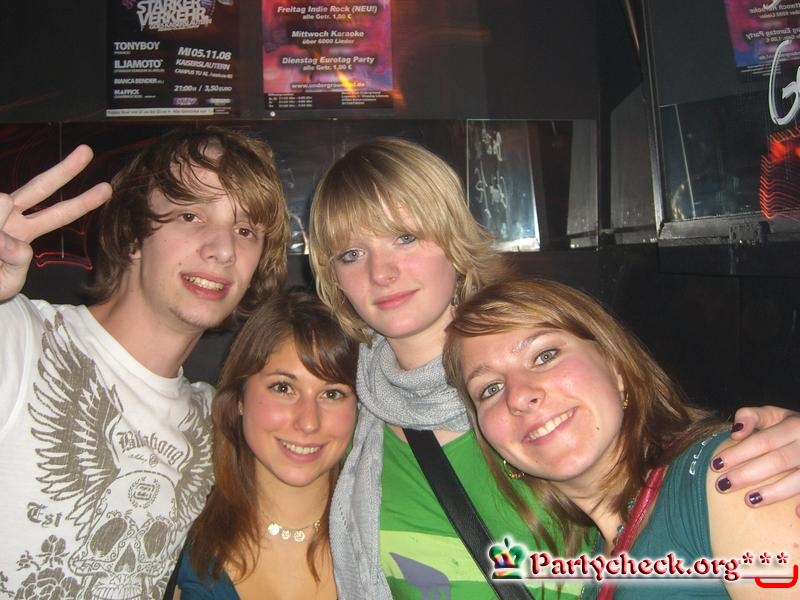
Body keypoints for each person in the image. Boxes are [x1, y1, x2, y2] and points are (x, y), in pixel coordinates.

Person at [307, 136, 800, 599]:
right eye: (351, 254)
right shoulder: (341, 419)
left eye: (405, 237)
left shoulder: (567, 397)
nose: (381, 272)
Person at [0, 126, 290, 599]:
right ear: (133, 236)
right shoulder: (22, 339)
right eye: (190, 215)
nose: (224, 250)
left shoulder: (214, 424)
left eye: (245, 230)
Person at [443, 278, 798, 598]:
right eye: (490, 389)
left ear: (616, 368)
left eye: (545, 355)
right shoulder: (597, 556)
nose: (519, 396)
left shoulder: (730, 477)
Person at [175, 287, 358, 599]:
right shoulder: (175, 535)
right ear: (240, 398)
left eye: (332, 393)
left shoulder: (389, 537)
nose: (308, 422)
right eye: (283, 388)